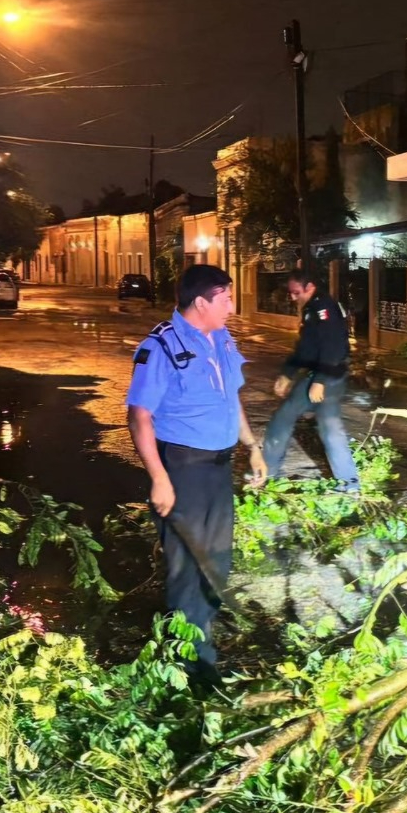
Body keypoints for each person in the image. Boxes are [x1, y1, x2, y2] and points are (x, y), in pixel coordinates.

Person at [125, 264, 267, 679]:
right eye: (225, 297)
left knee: (217, 560)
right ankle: (190, 668)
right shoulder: (161, 347)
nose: (231, 305)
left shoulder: (221, 338)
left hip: (218, 466)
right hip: (182, 468)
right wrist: (159, 478)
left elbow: (230, 400)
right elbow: (139, 416)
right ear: (202, 302)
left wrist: (252, 447)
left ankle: (197, 632)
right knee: (188, 566)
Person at [262, 269, 361, 492]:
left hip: (328, 377)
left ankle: (349, 484)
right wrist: (288, 373)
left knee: (325, 426)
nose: (292, 297)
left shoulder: (324, 308)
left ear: (310, 287)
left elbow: (334, 347)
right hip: (319, 376)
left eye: (296, 292)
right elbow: (305, 349)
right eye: (291, 293)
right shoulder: (312, 308)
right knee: (295, 420)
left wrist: (321, 380)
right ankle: (349, 483)